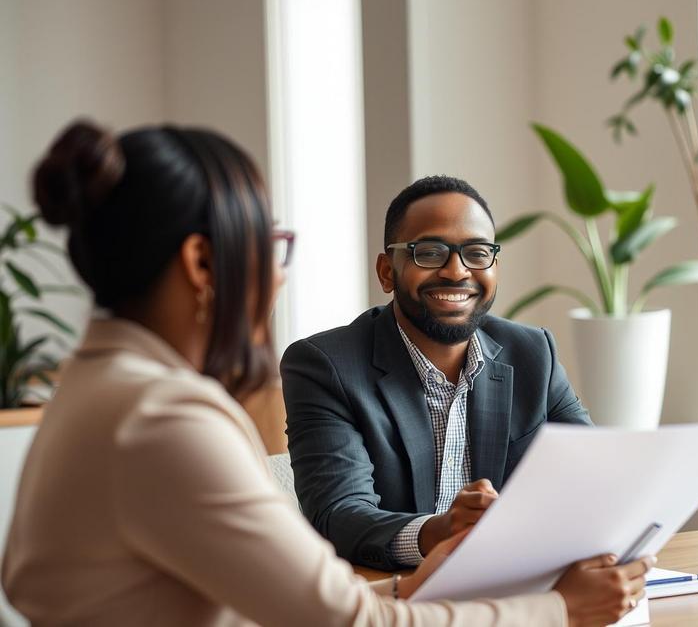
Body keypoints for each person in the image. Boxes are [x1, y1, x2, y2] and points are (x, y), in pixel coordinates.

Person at [0, 120, 650, 627]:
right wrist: (562, 610)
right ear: (203, 261)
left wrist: (412, 587)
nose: (279, 274)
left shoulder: (103, 389)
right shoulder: (160, 419)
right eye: (272, 245)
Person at [281, 175, 593, 570]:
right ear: (387, 271)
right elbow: (338, 516)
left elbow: (591, 478)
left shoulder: (533, 354)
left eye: (477, 253)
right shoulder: (325, 365)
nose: (456, 271)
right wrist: (440, 531)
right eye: (429, 252)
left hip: (513, 589)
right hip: (393, 600)